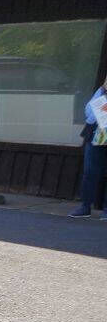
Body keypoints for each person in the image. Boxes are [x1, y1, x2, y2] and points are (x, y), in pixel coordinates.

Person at [70, 75, 106, 218]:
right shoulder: (101, 92)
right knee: (90, 171)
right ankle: (85, 206)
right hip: (96, 133)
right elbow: (89, 113)